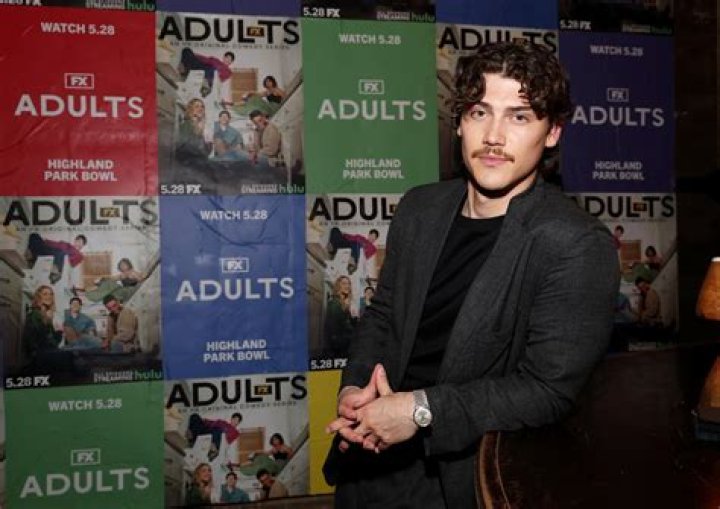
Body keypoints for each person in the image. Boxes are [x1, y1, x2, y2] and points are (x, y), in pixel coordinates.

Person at [323, 41, 619, 508]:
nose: (494, 136)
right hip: (369, 462)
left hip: (465, 479)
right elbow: (384, 315)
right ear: (460, 122)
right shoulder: (420, 208)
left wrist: (418, 411)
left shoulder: (575, 243)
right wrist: (356, 388)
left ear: (553, 132)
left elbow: (547, 391)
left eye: (519, 116)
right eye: (480, 112)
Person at [22, 285, 61, 363]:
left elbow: (55, 341)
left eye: (51, 294)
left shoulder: (51, 315)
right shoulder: (34, 315)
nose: (49, 296)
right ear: (39, 297)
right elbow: (34, 340)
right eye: (45, 294)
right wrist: (46, 322)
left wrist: (59, 331)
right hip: (38, 358)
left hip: (50, 355)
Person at [323, 275, 356, 358]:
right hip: (338, 348)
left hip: (342, 345)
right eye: (344, 284)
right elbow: (335, 328)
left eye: (348, 284)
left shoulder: (344, 303)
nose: (347, 286)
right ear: (338, 286)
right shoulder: (335, 303)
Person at [176, 98, 211, 164]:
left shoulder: (204, 127)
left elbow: (207, 151)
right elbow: (184, 148)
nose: (200, 109)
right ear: (191, 109)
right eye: (197, 106)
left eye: (202, 107)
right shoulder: (186, 125)